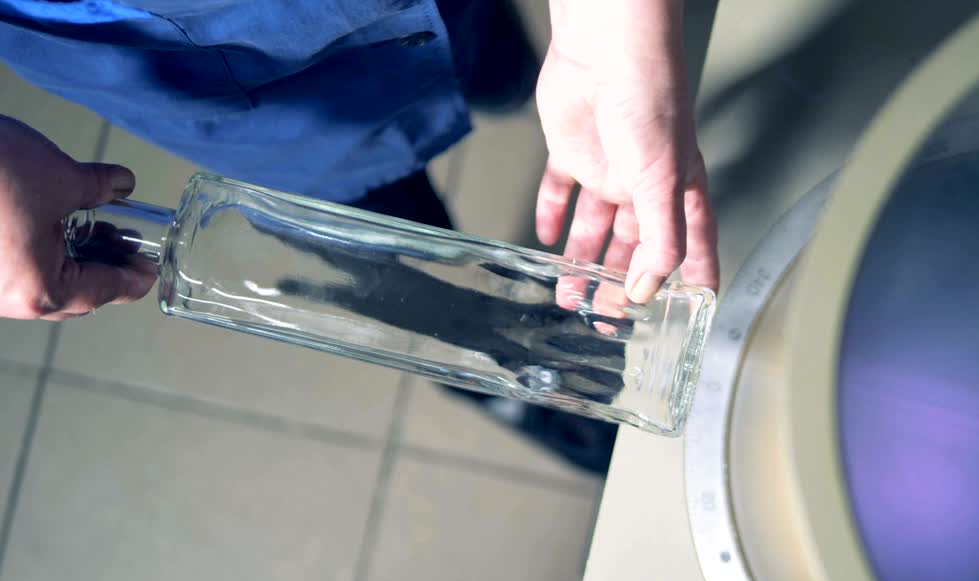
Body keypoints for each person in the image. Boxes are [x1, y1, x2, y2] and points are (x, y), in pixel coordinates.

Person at [0, 0, 719, 472]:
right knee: (413, 283)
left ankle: (496, 73)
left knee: (490, 59)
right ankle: (519, 380)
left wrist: (605, 33)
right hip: (243, 84)